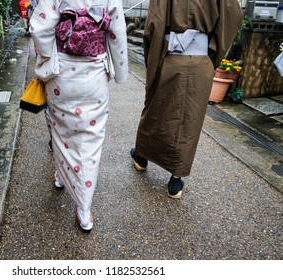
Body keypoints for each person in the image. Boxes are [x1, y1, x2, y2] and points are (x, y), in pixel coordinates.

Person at [29, 0, 128, 232]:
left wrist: (49, 57)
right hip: (94, 74)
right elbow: (117, 31)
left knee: (62, 132)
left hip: (61, 74)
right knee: (90, 140)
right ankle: (84, 211)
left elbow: (40, 27)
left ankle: (62, 178)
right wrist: (120, 71)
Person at [130, 0, 243, 198]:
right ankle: (175, 180)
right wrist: (211, 55)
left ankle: (141, 156)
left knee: (156, 111)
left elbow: (154, 24)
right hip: (200, 64)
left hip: (170, 60)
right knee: (189, 121)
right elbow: (233, 15)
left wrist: (153, 61)